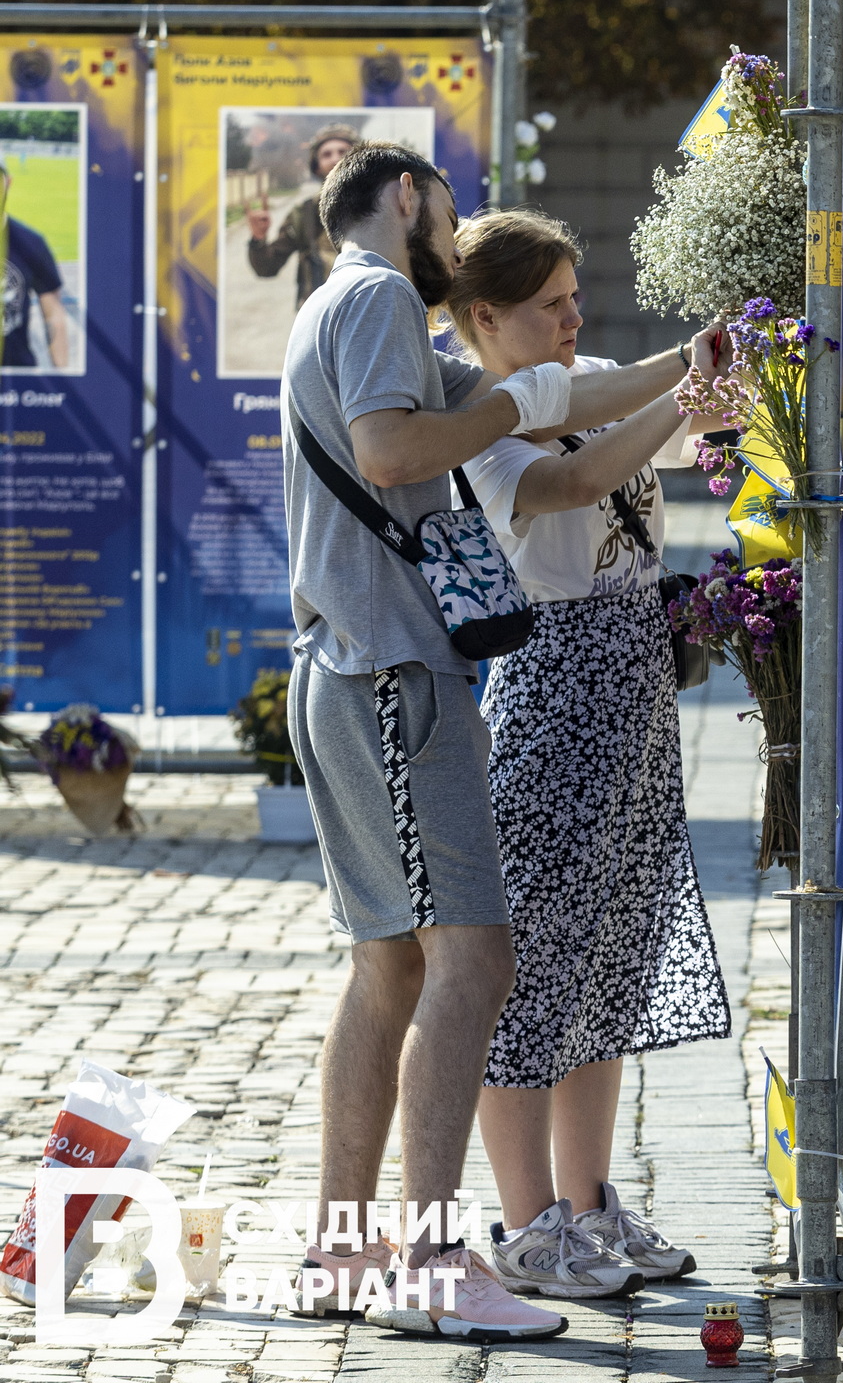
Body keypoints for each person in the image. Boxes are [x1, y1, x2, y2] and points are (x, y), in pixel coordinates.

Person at [280, 140, 723, 1340]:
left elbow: (558, 400)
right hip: (394, 670)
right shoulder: (375, 291)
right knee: (474, 964)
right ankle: (430, 1266)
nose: (455, 231)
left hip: (354, 666)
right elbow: (391, 454)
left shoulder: (358, 310)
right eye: (451, 208)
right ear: (410, 200)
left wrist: (689, 367)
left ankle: (339, 1248)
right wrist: (519, 406)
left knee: (394, 964)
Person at [439, 205, 730, 1298]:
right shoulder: (471, 415)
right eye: (549, 304)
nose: (574, 319)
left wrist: (730, 390)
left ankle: (591, 1206)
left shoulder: (599, 372)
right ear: (485, 317)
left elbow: (684, 433)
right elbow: (561, 484)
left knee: (608, 963)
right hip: (553, 687)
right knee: (532, 975)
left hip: (633, 686)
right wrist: (670, 401)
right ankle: (528, 1224)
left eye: (575, 297)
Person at [249, 123, 359, 311]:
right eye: (326, 154)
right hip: (318, 321)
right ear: (316, 166)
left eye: (343, 151)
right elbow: (267, 268)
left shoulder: (385, 208)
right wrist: (258, 238)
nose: (335, 159)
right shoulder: (304, 214)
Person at [2, 159, 74, 371]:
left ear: (8, 182)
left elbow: (53, 313)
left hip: (17, 377)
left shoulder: (31, 243)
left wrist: (62, 378)